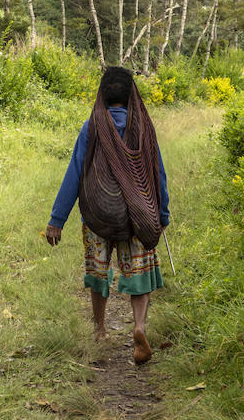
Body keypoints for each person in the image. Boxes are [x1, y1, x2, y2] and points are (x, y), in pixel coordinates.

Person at [45, 66, 170, 365]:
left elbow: (75, 173)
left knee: (98, 272)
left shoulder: (92, 127)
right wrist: (161, 213)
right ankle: (139, 327)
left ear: (102, 95)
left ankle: (100, 330)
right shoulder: (144, 129)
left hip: (98, 215)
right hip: (138, 214)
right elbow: (158, 174)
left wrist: (56, 220)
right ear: (132, 97)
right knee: (139, 273)